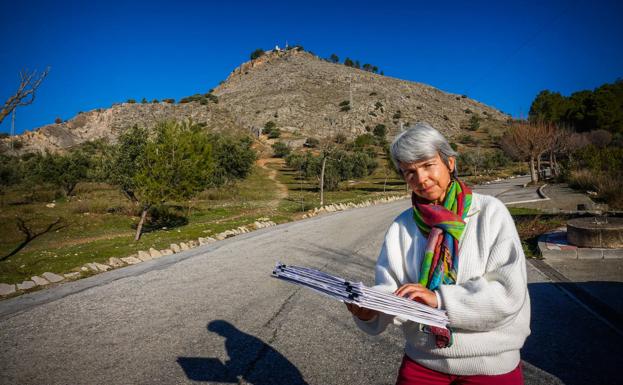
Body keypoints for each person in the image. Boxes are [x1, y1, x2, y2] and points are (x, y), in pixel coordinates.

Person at [346, 122, 530, 385]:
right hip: (423, 361)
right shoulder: (402, 225)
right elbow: (394, 289)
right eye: (409, 172)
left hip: (490, 364)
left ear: (450, 163)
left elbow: (508, 293)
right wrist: (371, 310)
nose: (420, 179)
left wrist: (439, 299)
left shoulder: (490, 212)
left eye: (428, 165)